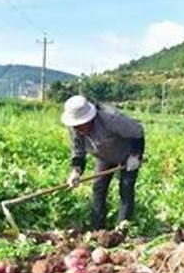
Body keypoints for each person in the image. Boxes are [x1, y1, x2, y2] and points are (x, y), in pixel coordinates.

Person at [61, 95, 145, 230]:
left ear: (90, 118)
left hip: (126, 155)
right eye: (76, 126)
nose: (78, 129)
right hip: (103, 156)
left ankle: (123, 229)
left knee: (126, 187)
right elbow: (78, 151)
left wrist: (136, 155)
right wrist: (76, 171)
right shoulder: (74, 127)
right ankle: (98, 229)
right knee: (98, 188)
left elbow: (137, 131)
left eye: (81, 125)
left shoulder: (111, 118)